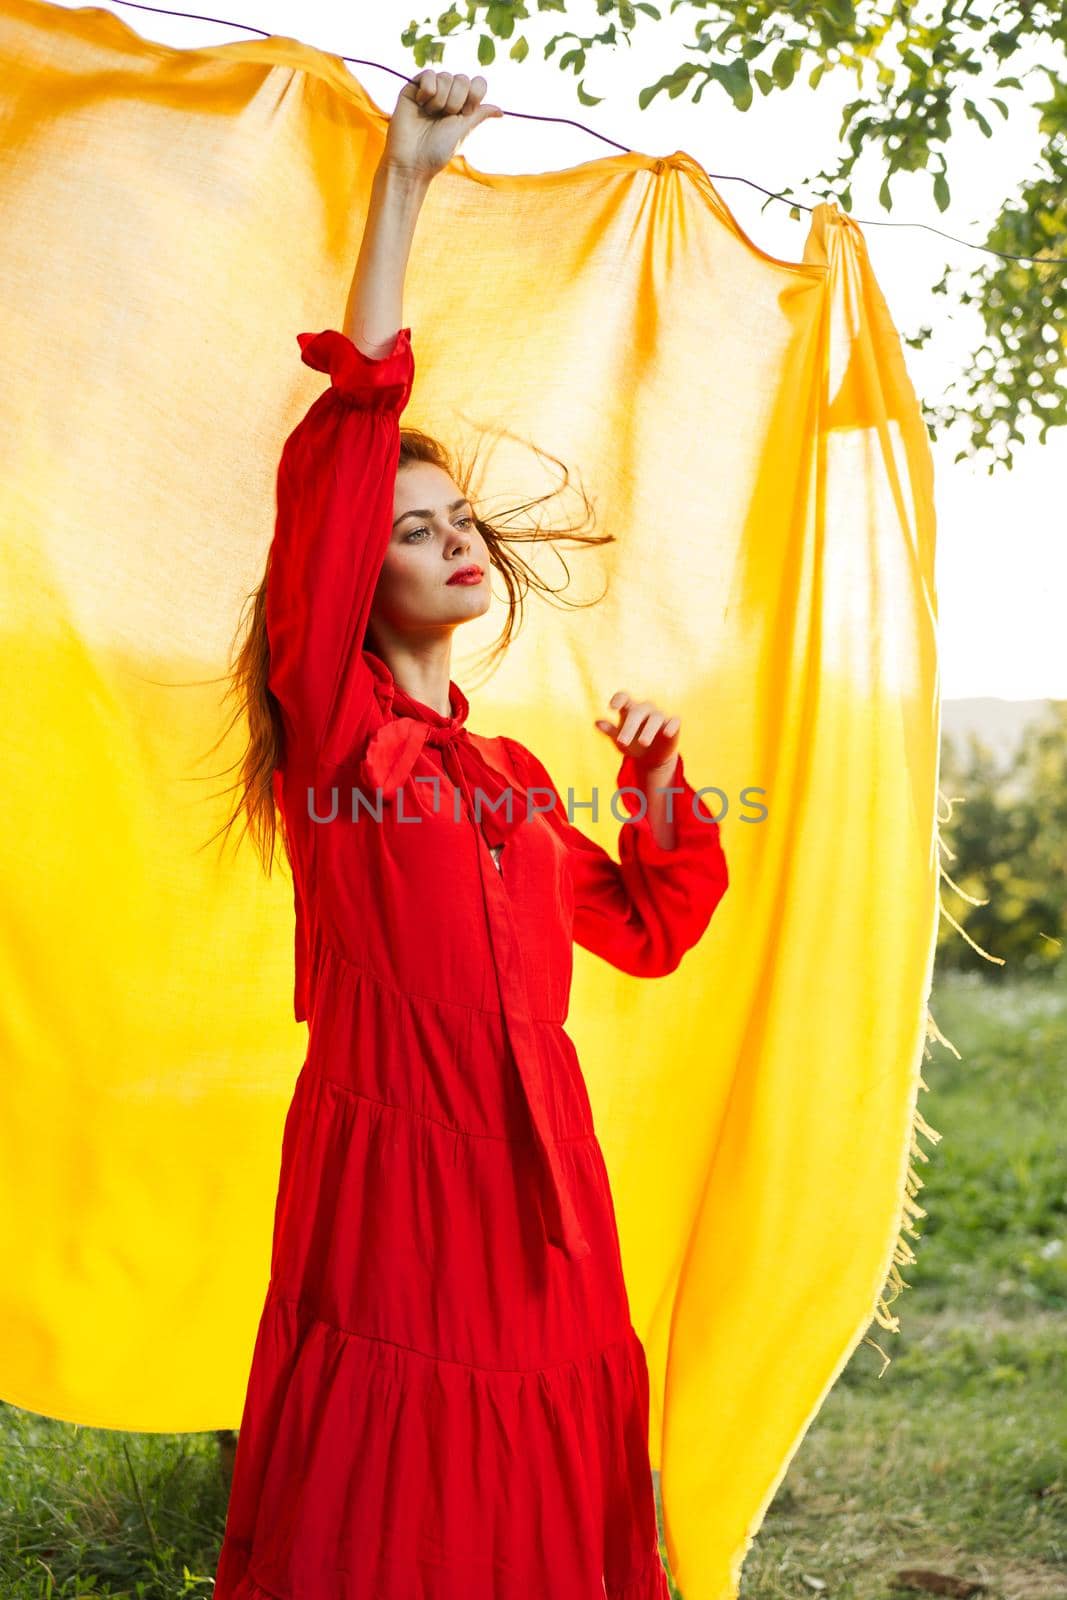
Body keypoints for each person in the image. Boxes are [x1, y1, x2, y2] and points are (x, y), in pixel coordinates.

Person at [212, 67, 729, 1600]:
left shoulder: (499, 780)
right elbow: (355, 418)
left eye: (459, 524)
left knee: (543, 1481)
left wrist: (646, 787)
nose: (450, 542)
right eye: (411, 525)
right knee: (395, 1503)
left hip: (542, 1190)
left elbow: (649, 926)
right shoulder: (338, 731)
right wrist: (404, 186)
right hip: (397, 1178)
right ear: (353, 572)